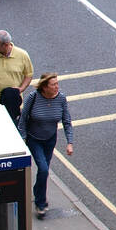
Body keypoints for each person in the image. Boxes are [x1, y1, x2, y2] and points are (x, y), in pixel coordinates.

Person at [18, 73, 73, 217]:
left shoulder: (61, 98)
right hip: (34, 139)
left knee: (44, 170)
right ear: (44, 87)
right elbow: (23, 118)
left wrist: (70, 142)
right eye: (53, 85)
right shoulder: (33, 97)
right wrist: (22, 139)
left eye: (57, 83)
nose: (57, 87)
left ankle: (38, 192)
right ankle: (40, 203)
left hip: (50, 139)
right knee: (43, 169)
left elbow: (66, 120)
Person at [0, 30, 33, 121]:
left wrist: (21, 89)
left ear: (6, 44)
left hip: (11, 101)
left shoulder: (22, 55)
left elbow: (28, 75)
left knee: (10, 124)